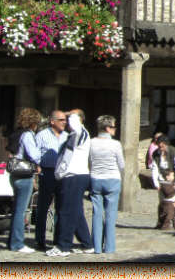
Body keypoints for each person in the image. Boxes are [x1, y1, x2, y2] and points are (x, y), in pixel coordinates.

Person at [49, 109, 93, 257]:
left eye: (68, 119)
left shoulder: (81, 132)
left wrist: (69, 113)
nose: (66, 121)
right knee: (76, 212)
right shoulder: (74, 136)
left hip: (74, 176)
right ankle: (87, 244)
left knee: (66, 212)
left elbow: (75, 121)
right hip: (71, 176)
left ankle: (63, 246)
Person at [8, 107, 42, 254]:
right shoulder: (27, 135)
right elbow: (34, 155)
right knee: (21, 211)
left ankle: (12, 240)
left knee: (17, 210)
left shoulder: (16, 133)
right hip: (24, 174)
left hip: (14, 174)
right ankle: (17, 243)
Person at [89, 115, 124, 253]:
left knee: (96, 213)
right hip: (112, 179)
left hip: (96, 178)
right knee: (111, 214)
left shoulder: (91, 142)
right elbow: (121, 164)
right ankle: (109, 247)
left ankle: (96, 246)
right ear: (108, 128)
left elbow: (90, 161)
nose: (115, 129)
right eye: (114, 126)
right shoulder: (115, 144)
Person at [34, 110, 67, 250]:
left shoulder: (67, 136)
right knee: (43, 207)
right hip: (47, 173)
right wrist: (37, 169)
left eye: (65, 120)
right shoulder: (42, 135)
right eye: (61, 120)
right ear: (52, 121)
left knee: (61, 207)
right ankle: (40, 240)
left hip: (62, 174)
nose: (64, 122)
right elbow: (34, 153)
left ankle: (57, 239)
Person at [151, 135, 175, 229]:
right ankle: (161, 222)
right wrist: (156, 183)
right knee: (162, 202)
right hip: (162, 180)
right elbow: (154, 168)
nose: (161, 148)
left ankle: (174, 221)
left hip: (172, 180)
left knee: (174, 201)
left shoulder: (173, 151)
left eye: (163, 145)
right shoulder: (156, 154)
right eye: (159, 146)